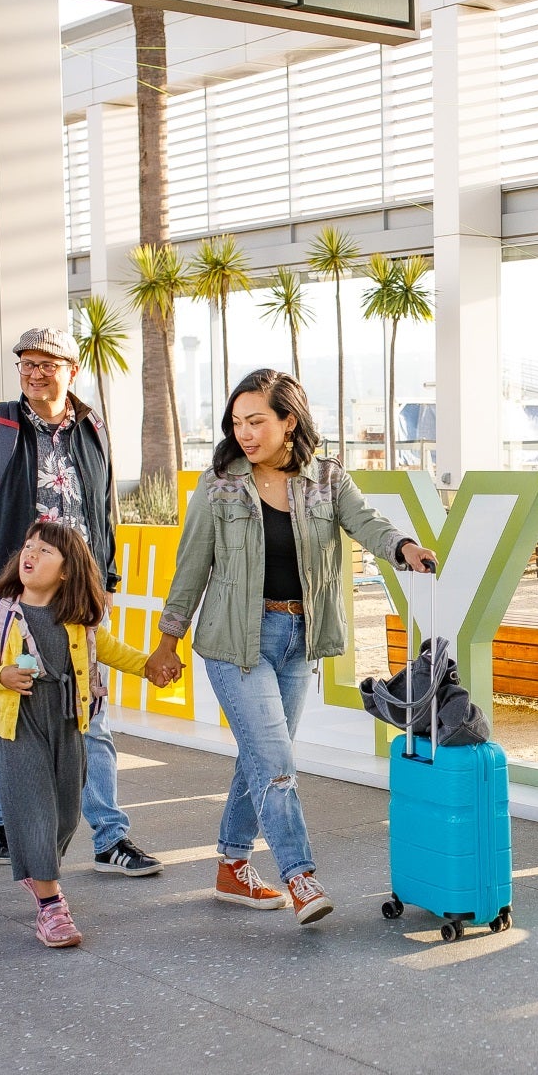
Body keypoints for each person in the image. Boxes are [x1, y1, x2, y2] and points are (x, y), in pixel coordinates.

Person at [147, 368, 433, 925]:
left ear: (289, 421)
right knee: (277, 761)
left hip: (299, 639)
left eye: (257, 421)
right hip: (236, 641)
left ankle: (232, 865)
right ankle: (300, 876)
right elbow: (190, 568)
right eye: (237, 423)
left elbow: (366, 524)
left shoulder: (327, 479)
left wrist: (402, 547)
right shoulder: (220, 485)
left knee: (261, 756)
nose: (246, 433)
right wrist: (167, 642)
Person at [0, 327, 161, 877]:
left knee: (93, 718)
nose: (35, 373)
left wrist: (106, 578)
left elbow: (105, 508)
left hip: (77, 597)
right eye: (26, 364)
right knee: (3, 714)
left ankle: (110, 836)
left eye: (46, 364)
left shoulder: (91, 428)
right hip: (15, 594)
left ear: (72, 370)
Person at [0, 520, 159, 947]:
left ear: (68, 570)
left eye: (45, 551)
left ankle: (39, 871)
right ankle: (51, 907)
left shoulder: (77, 619)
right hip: (22, 723)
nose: (30, 554)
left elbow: (109, 650)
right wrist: (2, 674)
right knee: (35, 809)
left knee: (68, 812)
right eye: (28, 545)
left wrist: (149, 666)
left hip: (70, 720)